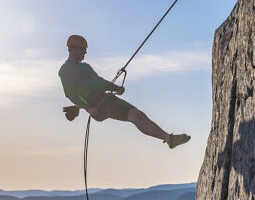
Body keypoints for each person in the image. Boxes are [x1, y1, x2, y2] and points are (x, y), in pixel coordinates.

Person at [59, 34, 190, 149]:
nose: (85, 52)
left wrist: (115, 88)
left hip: (106, 99)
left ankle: (169, 139)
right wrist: (87, 108)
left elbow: (100, 82)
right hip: (99, 104)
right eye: (83, 49)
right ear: (73, 49)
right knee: (135, 116)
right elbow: (70, 93)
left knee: (139, 114)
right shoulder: (66, 69)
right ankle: (169, 139)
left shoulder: (86, 67)